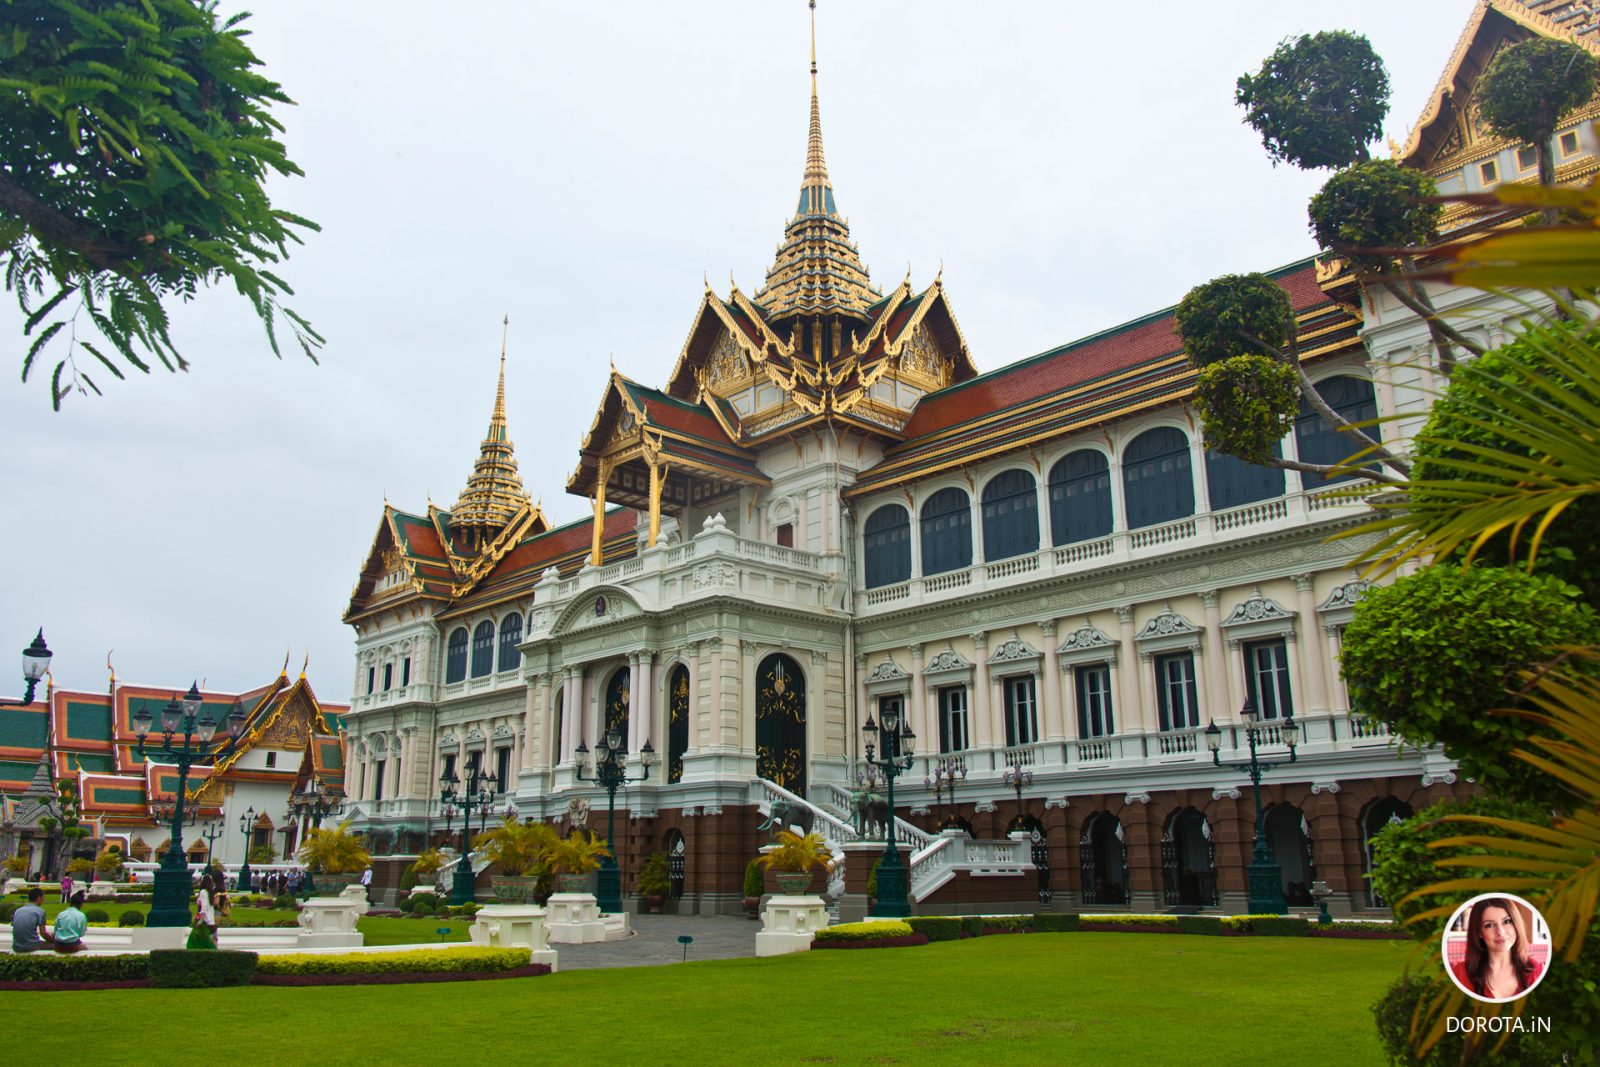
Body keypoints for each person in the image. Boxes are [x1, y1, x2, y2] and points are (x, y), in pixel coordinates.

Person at [1451, 897, 1543, 1000]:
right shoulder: (1459, 972)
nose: (1500, 932)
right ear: (1479, 933)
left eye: (1507, 921)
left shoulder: (1537, 970)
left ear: (1516, 924)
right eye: (1489, 925)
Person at [10, 888, 53, 953]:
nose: (43, 900)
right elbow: (43, 933)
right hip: (31, 946)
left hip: (16, 946)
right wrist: (53, 940)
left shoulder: (18, 910)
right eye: (43, 897)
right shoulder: (40, 911)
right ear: (39, 898)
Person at [187, 872, 219, 950]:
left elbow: (204, 907)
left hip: (205, 920)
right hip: (210, 919)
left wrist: (201, 919)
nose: (199, 882)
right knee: (205, 940)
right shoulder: (210, 892)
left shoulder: (203, 892)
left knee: (194, 940)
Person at [51, 890, 88, 954]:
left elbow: (55, 931)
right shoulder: (81, 916)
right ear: (81, 904)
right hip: (73, 945)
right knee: (86, 950)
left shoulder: (61, 914)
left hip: (58, 945)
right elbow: (81, 934)